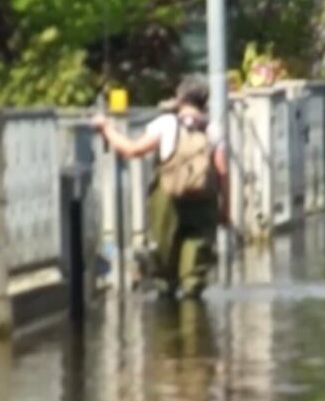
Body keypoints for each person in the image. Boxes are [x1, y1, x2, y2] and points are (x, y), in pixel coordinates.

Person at [92, 77, 226, 299]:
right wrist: (226, 210)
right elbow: (222, 172)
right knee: (196, 265)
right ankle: (193, 308)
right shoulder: (213, 129)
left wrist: (107, 129)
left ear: (180, 98)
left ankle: (168, 309)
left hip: (168, 201)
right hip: (204, 202)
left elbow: (132, 150)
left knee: (165, 265)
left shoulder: (166, 124)